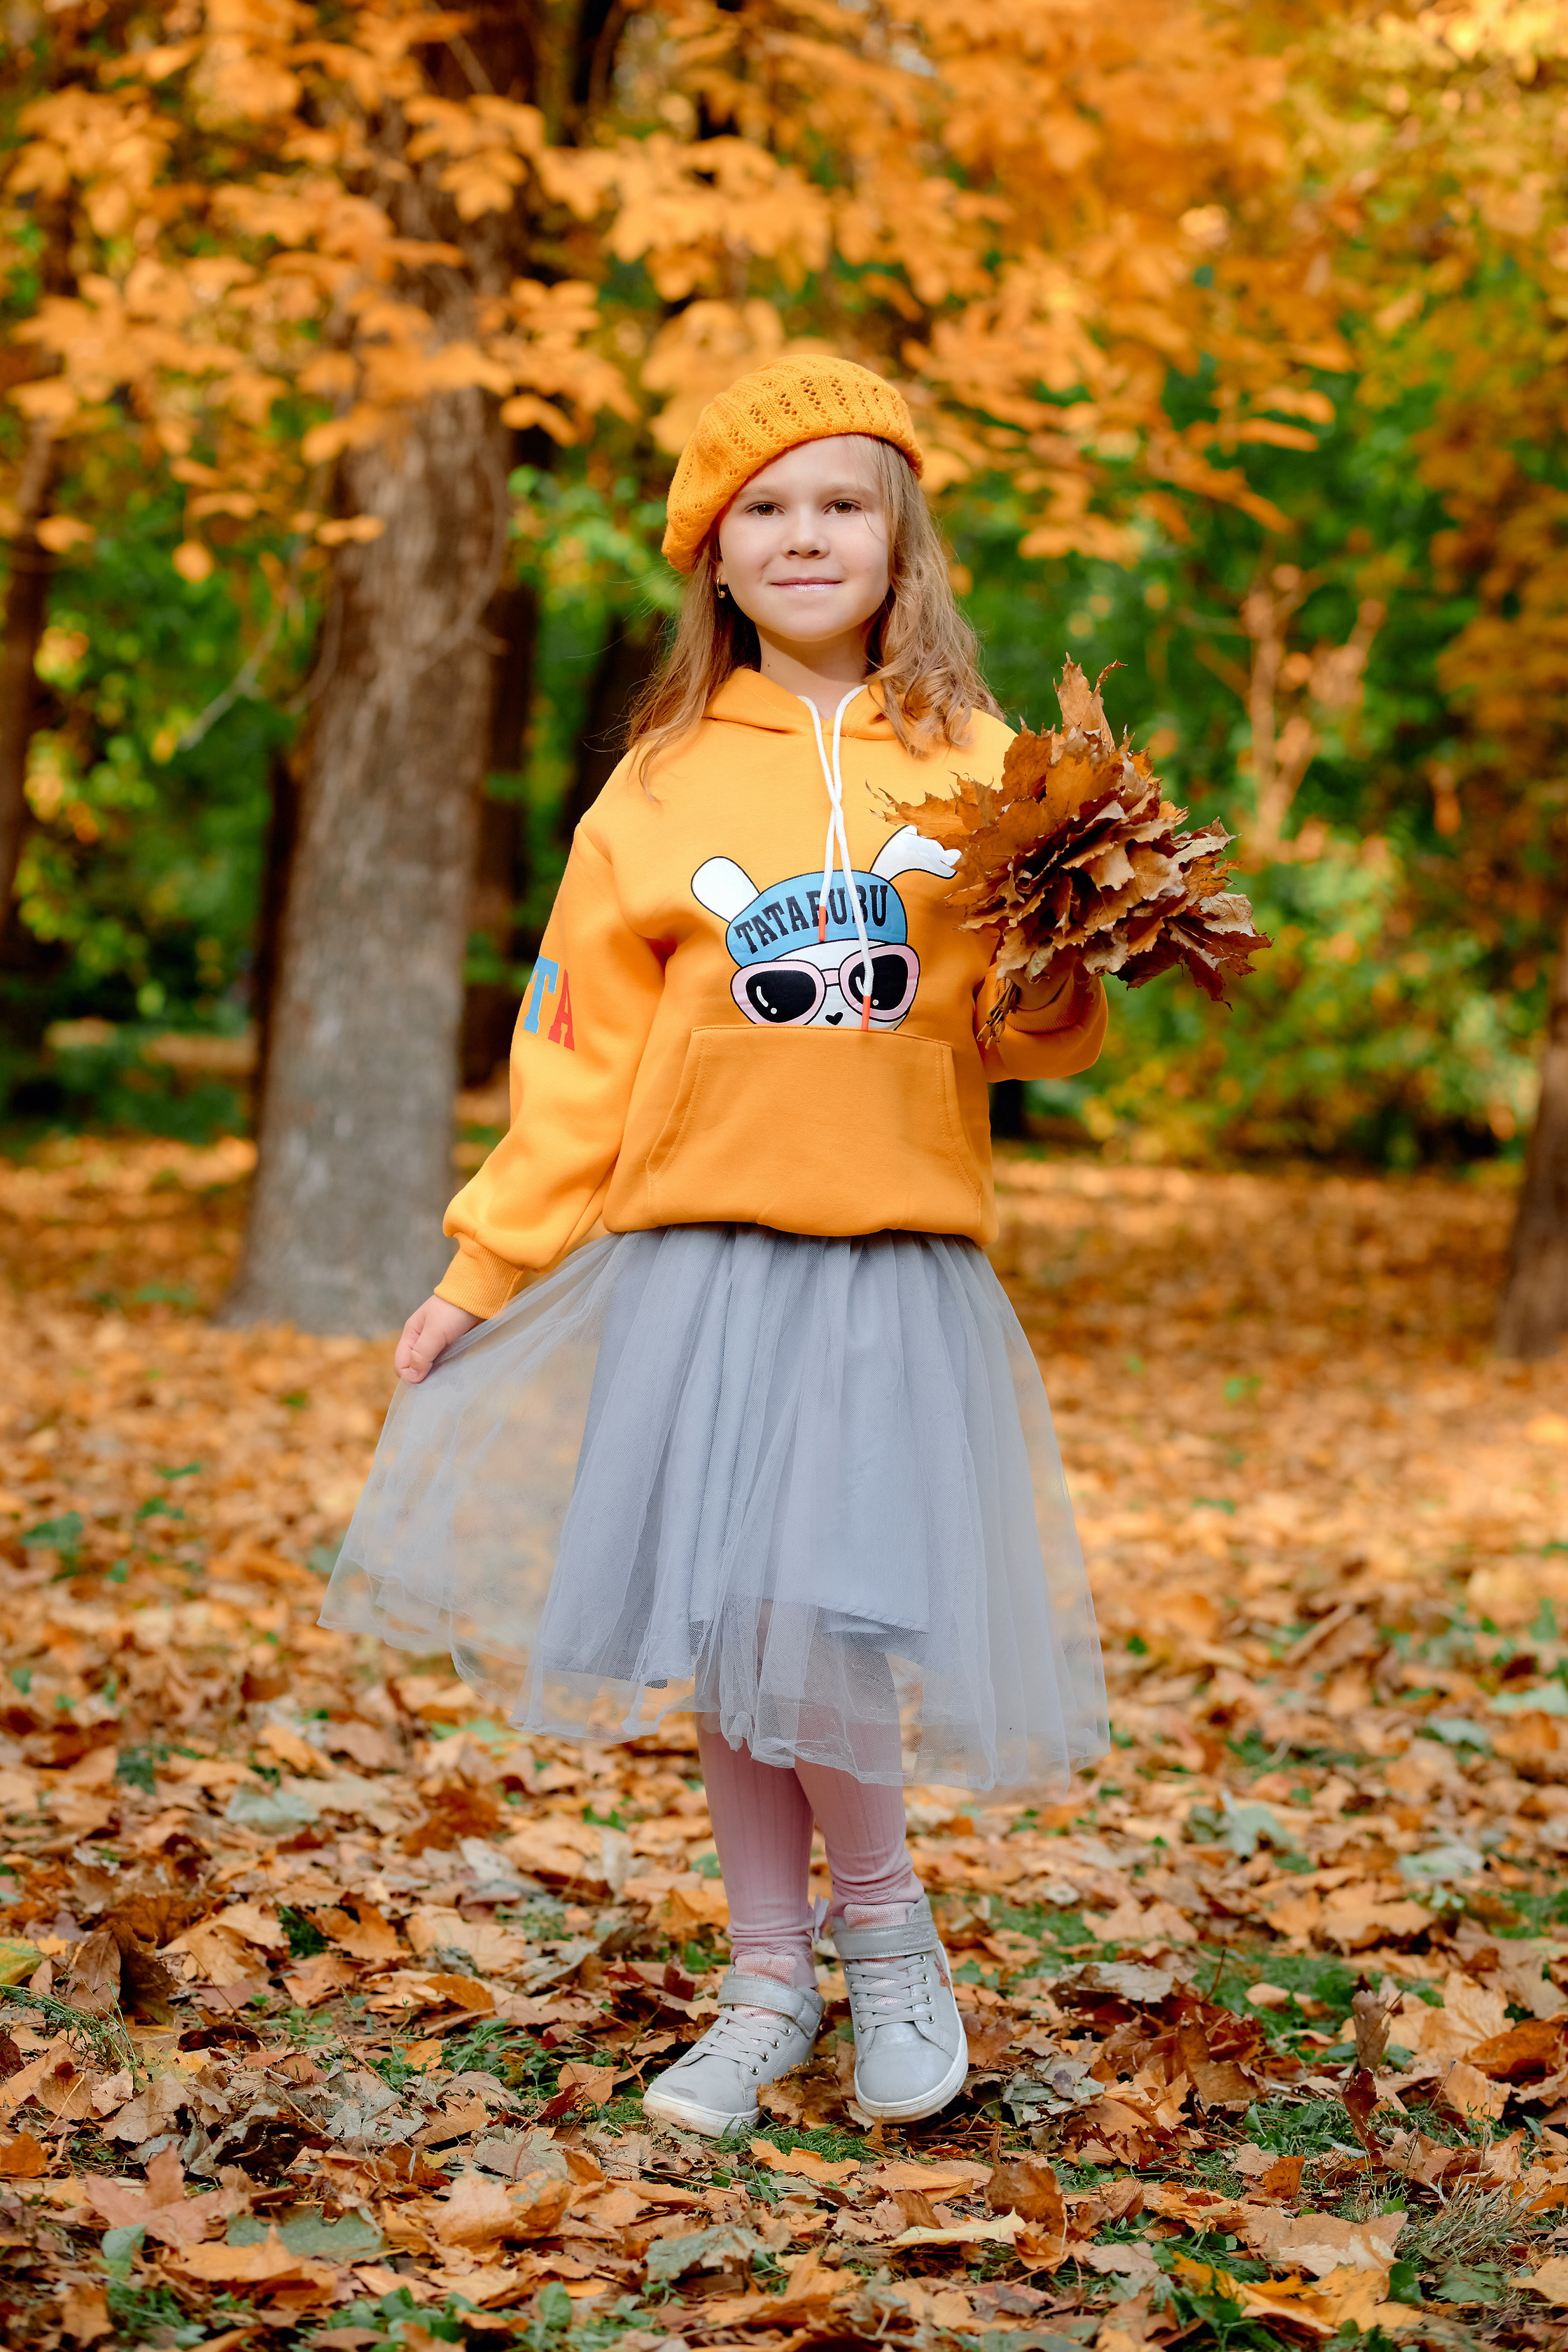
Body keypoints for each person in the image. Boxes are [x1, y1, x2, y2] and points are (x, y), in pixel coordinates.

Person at [320, 354, 1110, 2138]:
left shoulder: (993, 772)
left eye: (842, 502)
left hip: (887, 1259)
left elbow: (1017, 1030)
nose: (806, 534)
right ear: (717, 557)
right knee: (739, 1635)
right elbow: (577, 1061)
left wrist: (1066, 974)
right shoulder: (659, 787)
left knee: (822, 1619)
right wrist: (481, 1269)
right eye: (767, 508)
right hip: (696, 1267)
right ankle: (765, 1981)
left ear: (901, 540)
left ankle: (890, 1945)